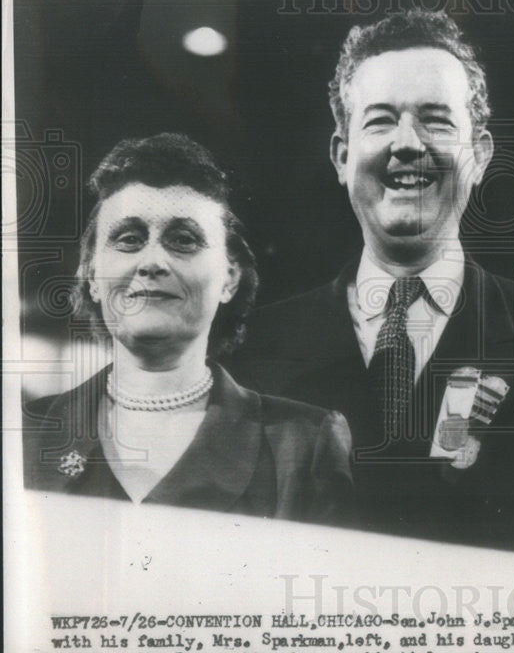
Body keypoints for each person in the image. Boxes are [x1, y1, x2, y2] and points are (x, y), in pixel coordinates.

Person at [227, 9, 514, 561]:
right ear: (343, 157)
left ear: (480, 155)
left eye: (437, 120)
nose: (408, 144)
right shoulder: (250, 351)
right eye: (380, 121)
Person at [23, 133, 355, 526]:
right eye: (128, 239)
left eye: (183, 240)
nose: (152, 262)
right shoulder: (21, 434)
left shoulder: (303, 444)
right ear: (92, 275)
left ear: (229, 278)